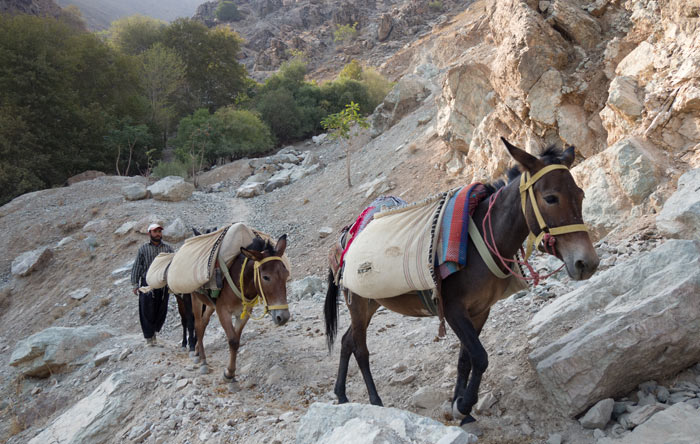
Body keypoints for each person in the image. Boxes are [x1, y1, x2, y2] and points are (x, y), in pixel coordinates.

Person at [130, 223, 174, 346]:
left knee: (161, 309)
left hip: (163, 283)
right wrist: (135, 284)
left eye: (159, 231)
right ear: (149, 233)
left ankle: (154, 333)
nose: (158, 234)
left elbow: (173, 266)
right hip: (147, 283)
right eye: (155, 232)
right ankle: (149, 338)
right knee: (146, 310)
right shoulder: (143, 249)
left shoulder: (168, 249)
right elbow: (137, 266)